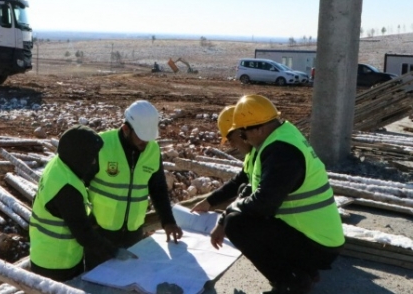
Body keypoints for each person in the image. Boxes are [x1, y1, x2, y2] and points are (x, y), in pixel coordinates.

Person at [211, 95, 344, 294]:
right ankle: (302, 271)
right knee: (236, 217)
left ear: (258, 129)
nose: (244, 140)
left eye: (244, 135)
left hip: (318, 244)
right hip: (313, 236)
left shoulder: (282, 152)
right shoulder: (278, 140)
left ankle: (292, 283)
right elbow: (251, 188)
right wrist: (225, 214)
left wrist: (229, 214)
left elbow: (264, 203)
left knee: (238, 224)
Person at [29, 125, 137, 282]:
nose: (94, 161)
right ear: (79, 157)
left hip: (42, 252)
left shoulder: (58, 165)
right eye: (91, 157)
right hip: (58, 263)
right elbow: (83, 234)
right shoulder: (67, 190)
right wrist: (113, 251)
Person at [85, 100, 183, 270]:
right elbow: (79, 185)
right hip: (100, 234)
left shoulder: (152, 149)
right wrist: (86, 224)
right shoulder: (101, 145)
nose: (145, 144)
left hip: (134, 233)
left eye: (149, 138)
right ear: (126, 129)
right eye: (142, 138)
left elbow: (158, 188)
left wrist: (168, 221)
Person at [190, 104, 255, 214]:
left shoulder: (269, 153)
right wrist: (209, 201)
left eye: (231, 139)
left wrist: (227, 217)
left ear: (240, 132)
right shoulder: (253, 154)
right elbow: (240, 180)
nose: (232, 145)